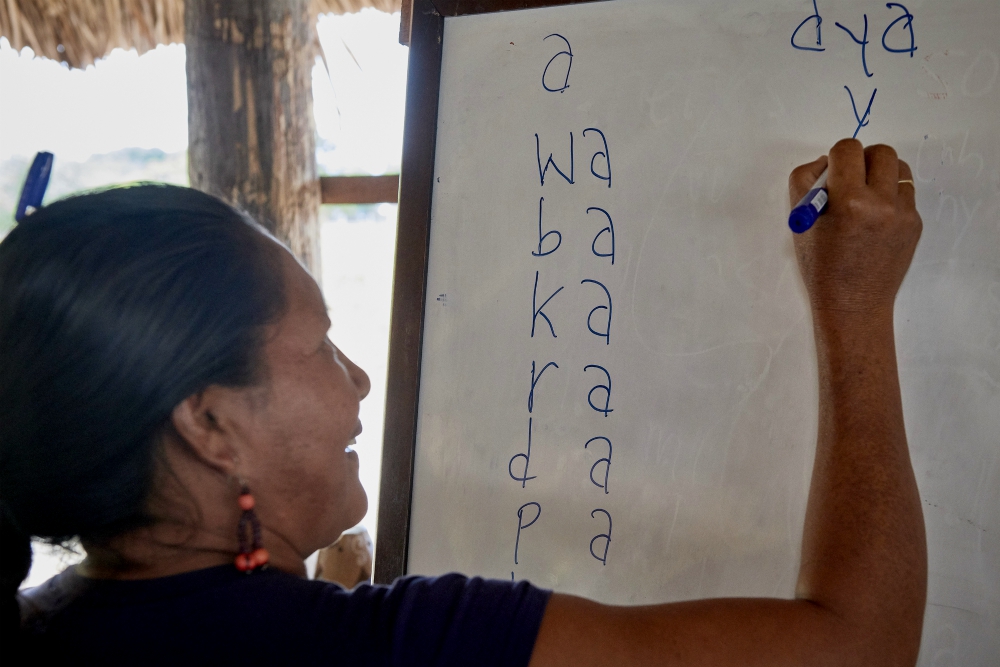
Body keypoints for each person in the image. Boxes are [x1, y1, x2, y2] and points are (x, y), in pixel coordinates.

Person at [1, 138, 926, 665]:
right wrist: (855, 310)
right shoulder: (417, 646)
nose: (358, 376)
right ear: (209, 423)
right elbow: (857, 649)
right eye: (319, 345)